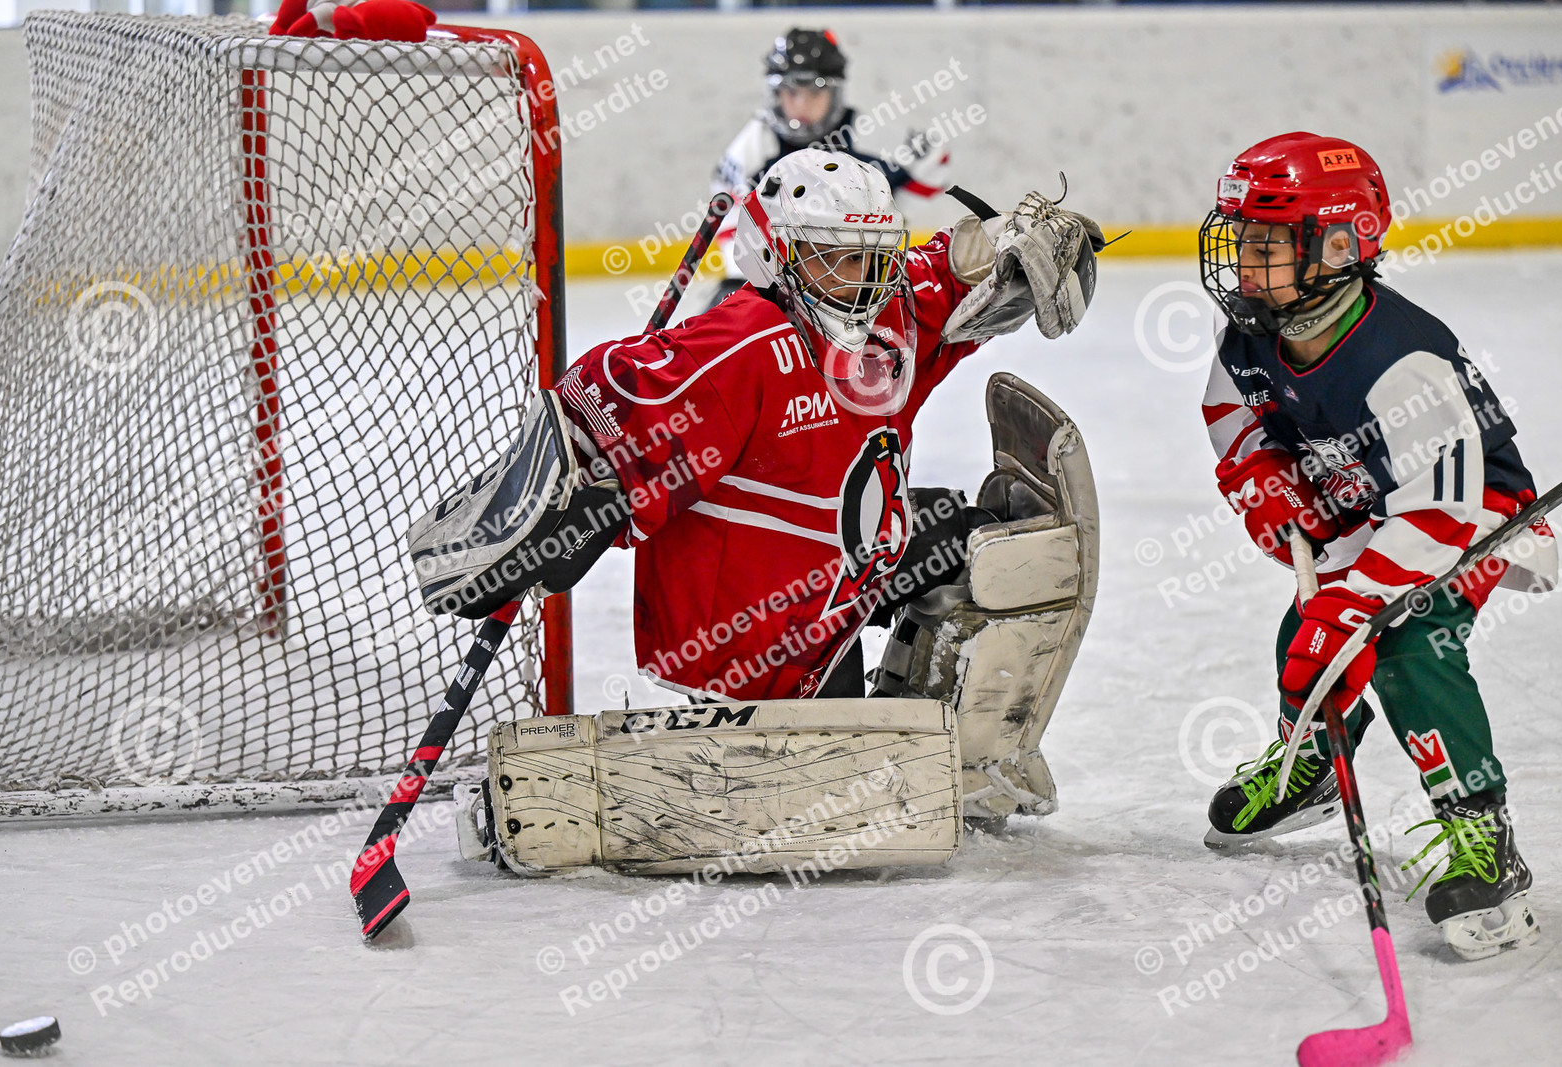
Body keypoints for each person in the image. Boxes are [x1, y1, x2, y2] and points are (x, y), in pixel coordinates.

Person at [409, 148, 1104, 827]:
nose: (864, 280)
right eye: (836, 257)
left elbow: (943, 272)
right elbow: (603, 394)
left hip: (843, 579)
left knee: (995, 552)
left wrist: (1011, 246)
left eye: (872, 256)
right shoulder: (741, 347)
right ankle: (815, 750)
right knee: (828, 778)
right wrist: (548, 513)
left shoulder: (886, 316)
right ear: (776, 254)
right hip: (757, 635)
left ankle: (965, 757)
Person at [1197, 132, 1557, 960]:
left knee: (1406, 646)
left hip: (1472, 514)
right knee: (1306, 633)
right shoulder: (1253, 331)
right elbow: (1232, 411)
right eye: (1243, 240)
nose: (1244, 264)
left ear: (1336, 245)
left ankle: (1483, 834)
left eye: (1266, 244)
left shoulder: (1403, 361)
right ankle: (1315, 761)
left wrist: (1357, 607)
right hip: (1369, 499)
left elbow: (1444, 511)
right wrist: (1263, 476)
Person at [702, 28, 950, 310]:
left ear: (835, 92)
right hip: (787, 276)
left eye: (814, 92)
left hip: (858, 270)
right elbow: (730, 205)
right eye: (791, 92)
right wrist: (744, 276)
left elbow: (935, 160)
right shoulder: (755, 144)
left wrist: (892, 217)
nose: (801, 104)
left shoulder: (868, 132)